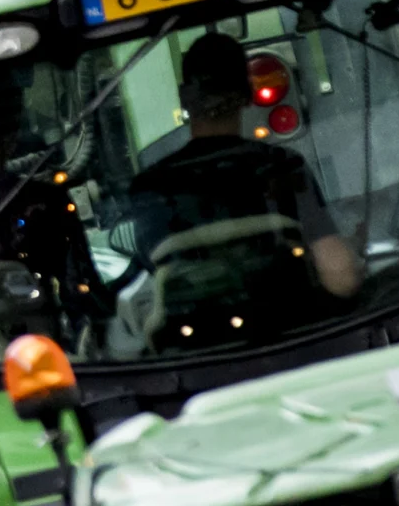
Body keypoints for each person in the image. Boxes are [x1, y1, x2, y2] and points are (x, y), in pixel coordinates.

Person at [120, 32, 364, 307]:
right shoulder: (283, 168)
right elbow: (342, 279)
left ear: (184, 98)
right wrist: (353, 250)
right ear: (249, 95)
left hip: (203, 346)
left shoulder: (149, 189)